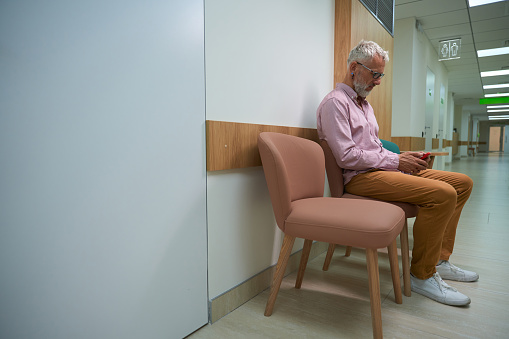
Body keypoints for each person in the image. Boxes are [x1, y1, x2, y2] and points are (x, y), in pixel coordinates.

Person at [316, 40, 478, 306]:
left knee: (462, 183)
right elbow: (347, 157)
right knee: (443, 194)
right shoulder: (335, 104)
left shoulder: (364, 105)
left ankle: (438, 258)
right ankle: (421, 275)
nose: (378, 81)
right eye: (375, 74)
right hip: (360, 179)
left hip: (379, 171)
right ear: (354, 68)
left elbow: (375, 147)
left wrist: (402, 158)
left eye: (382, 75)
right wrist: (396, 162)